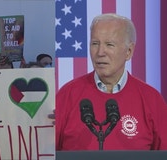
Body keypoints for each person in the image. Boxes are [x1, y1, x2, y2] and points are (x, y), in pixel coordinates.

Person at [56, 13, 167, 150]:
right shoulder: (67, 95)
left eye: (109, 44)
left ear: (129, 51)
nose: (100, 52)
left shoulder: (152, 99)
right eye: (95, 43)